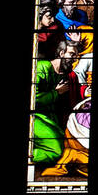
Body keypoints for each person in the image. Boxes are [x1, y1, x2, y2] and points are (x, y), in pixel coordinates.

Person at [32, 41, 80, 172]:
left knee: (64, 147)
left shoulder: (63, 75)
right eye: (72, 54)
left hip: (48, 118)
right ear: (61, 53)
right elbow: (33, 99)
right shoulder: (43, 67)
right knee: (56, 150)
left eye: (77, 56)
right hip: (34, 117)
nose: (75, 59)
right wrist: (57, 92)